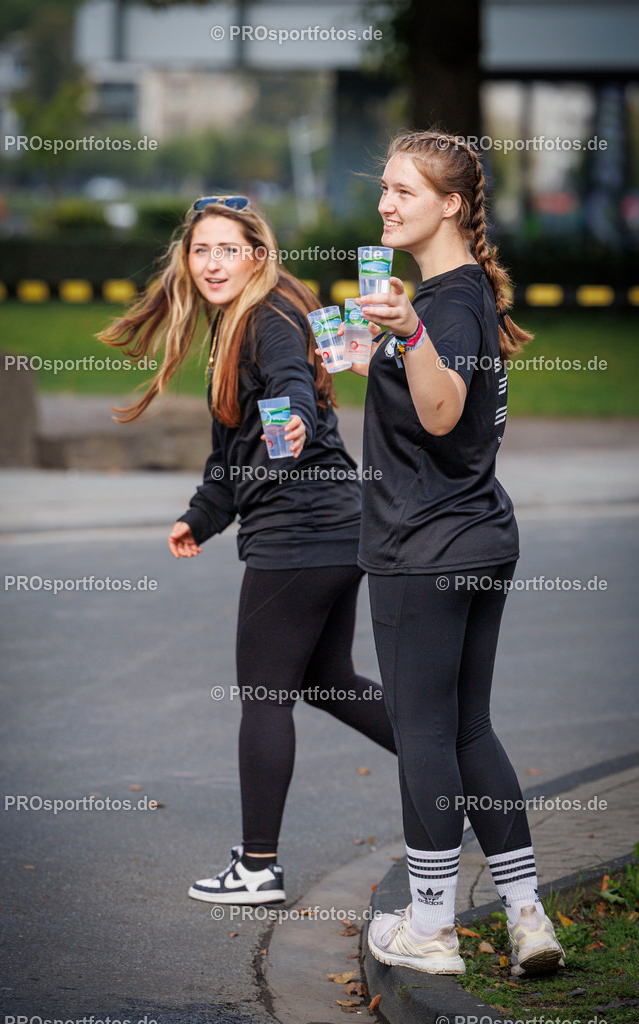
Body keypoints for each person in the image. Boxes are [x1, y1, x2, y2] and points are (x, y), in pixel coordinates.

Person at [99, 195, 396, 905]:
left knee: (265, 695)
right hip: (331, 529)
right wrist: (201, 518)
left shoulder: (265, 320)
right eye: (200, 250)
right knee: (326, 681)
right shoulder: (245, 321)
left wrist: (291, 422)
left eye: (226, 249)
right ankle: (451, 765)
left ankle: (258, 868)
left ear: (257, 256)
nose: (210, 263)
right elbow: (233, 449)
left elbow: (292, 388)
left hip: (297, 534)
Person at [331, 132, 565, 977]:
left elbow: (440, 413)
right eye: (383, 188)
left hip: (422, 544)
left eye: (403, 190)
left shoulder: (446, 304)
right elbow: (447, 422)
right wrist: (383, 347)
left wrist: (408, 333)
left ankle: (429, 924)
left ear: (452, 205)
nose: (386, 203)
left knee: (425, 731)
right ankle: (527, 916)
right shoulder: (455, 295)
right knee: (467, 729)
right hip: (477, 534)